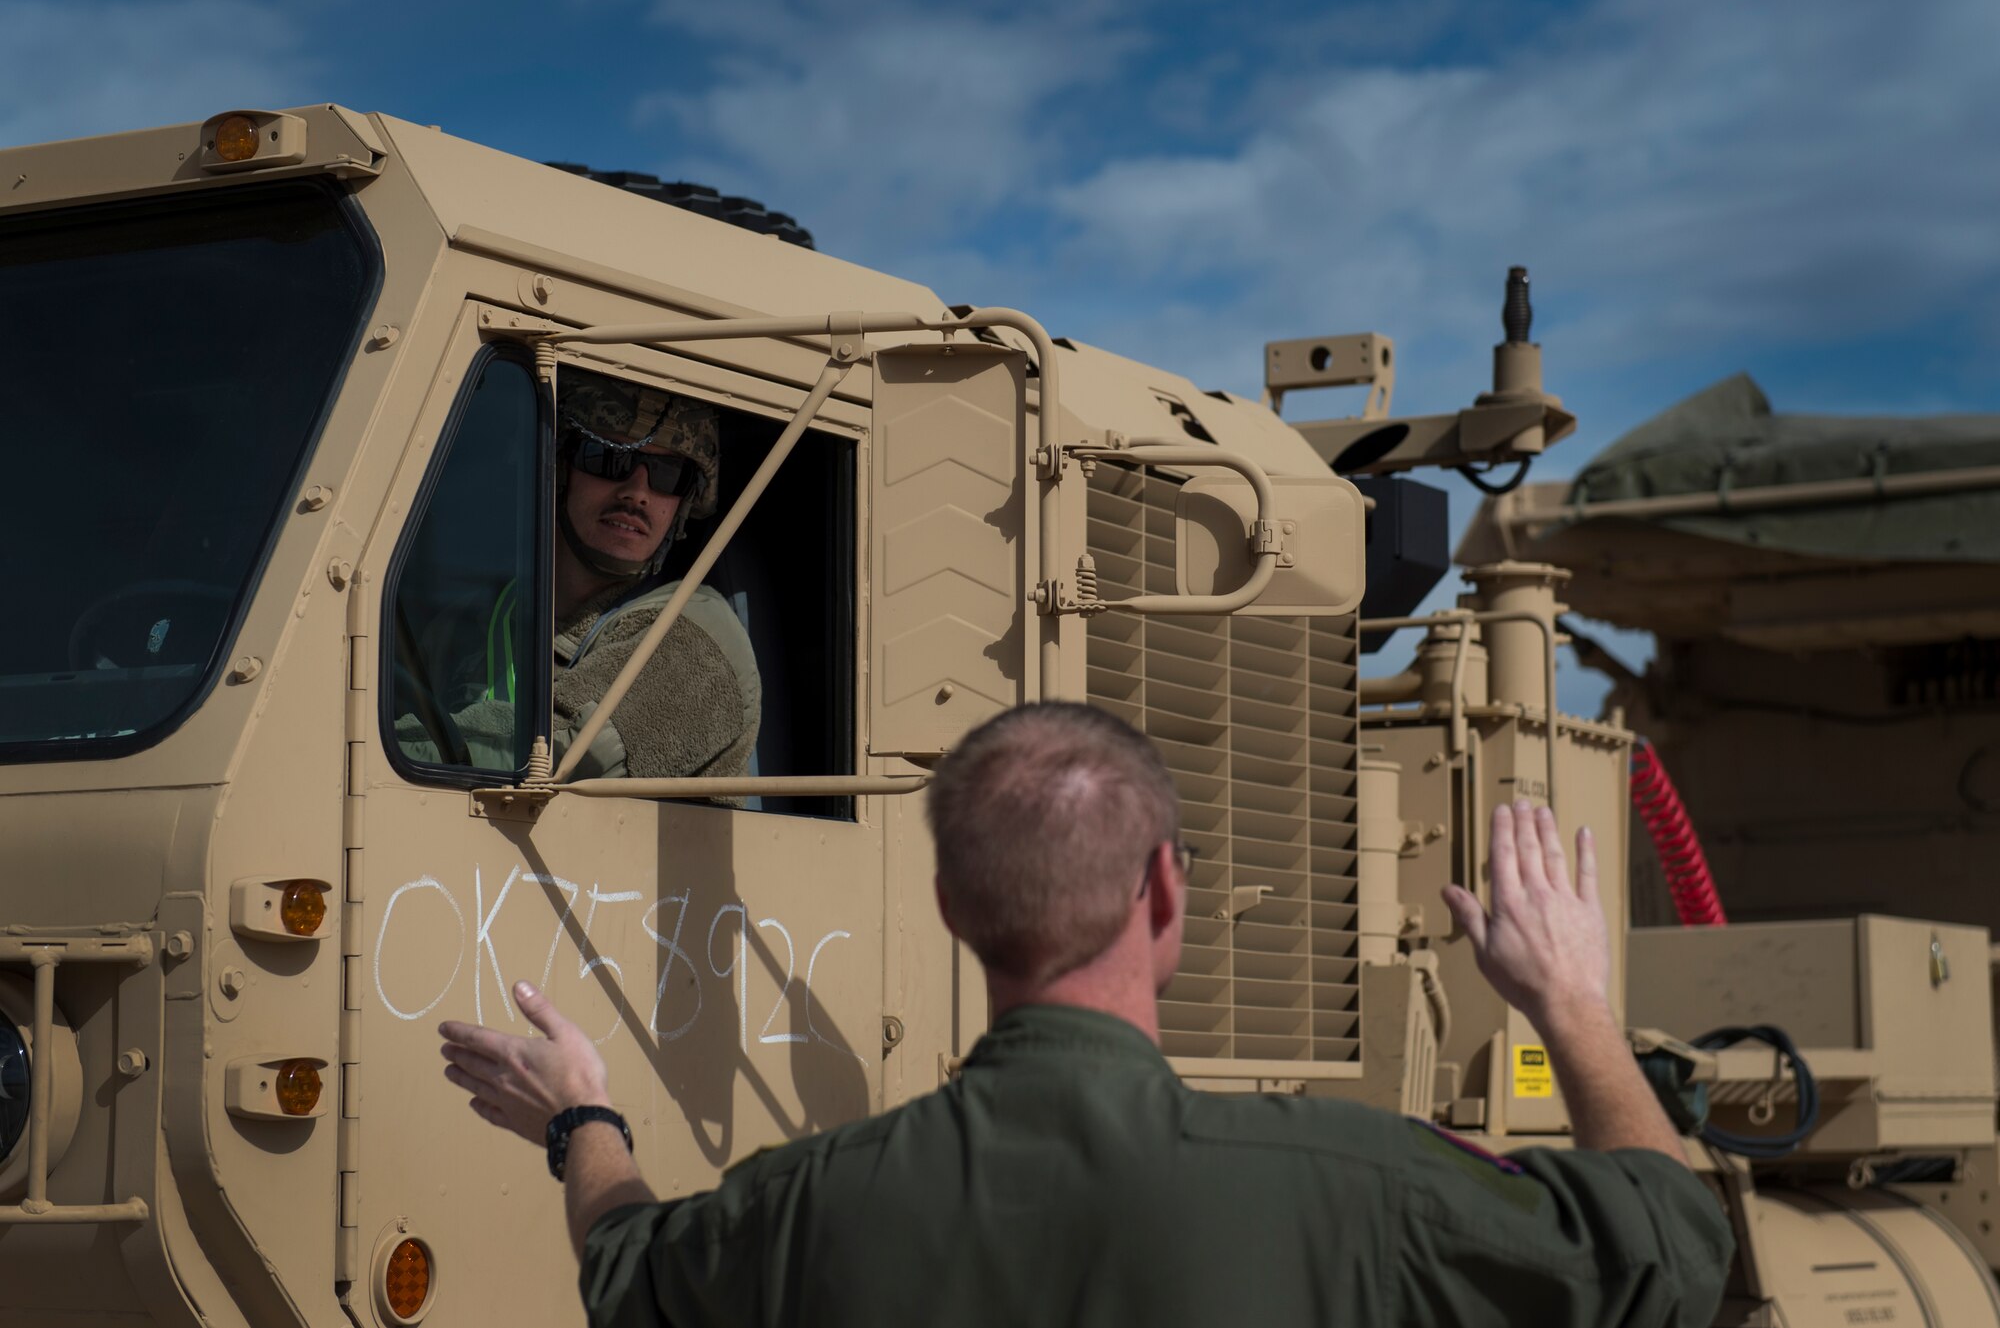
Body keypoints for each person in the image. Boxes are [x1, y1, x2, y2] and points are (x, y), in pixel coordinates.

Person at [438, 702, 1732, 1327]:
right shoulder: (1356, 1188)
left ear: (951, 905)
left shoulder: (814, 1204)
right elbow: (1671, 1244)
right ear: (1166, 888)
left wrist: (582, 1116)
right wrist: (1571, 1003)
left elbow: (628, 1271)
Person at [400, 371, 760, 783]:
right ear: (560, 469)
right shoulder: (465, 624)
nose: (637, 492)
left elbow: (561, 753)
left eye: (667, 474)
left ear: (683, 503)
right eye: (609, 458)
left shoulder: (698, 634)